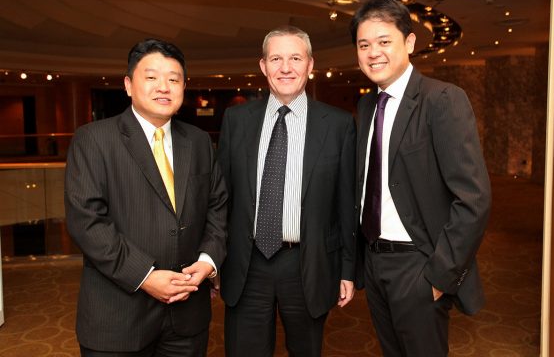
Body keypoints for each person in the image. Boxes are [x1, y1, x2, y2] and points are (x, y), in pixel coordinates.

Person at [65, 39, 228, 356]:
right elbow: (87, 222)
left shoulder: (198, 141)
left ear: (183, 87)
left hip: (187, 315)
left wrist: (208, 261)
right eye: (151, 77)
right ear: (128, 85)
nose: (163, 87)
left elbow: (217, 206)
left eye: (173, 79)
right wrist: (145, 276)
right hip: (118, 317)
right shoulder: (93, 139)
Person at [351, 0, 492, 357]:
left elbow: (473, 199)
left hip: (418, 265)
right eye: (364, 45)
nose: (373, 53)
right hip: (375, 261)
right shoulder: (367, 105)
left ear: (410, 42)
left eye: (384, 41)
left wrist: (439, 276)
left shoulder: (442, 100)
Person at [217, 25, 356, 357]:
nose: (285, 68)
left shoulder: (338, 125)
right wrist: (214, 260)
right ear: (263, 66)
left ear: (310, 64)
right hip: (246, 264)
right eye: (276, 59)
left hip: (308, 264)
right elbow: (222, 199)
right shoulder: (236, 120)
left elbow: (346, 203)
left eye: (295, 58)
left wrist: (348, 269)